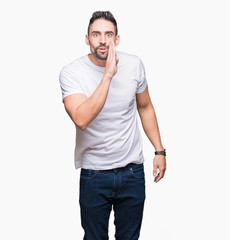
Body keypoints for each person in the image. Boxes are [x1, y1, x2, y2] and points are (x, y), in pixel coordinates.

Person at [59, 11, 166, 240]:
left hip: (132, 172)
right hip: (94, 174)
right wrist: (107, 75)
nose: (103, 40)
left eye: (109, 34)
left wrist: (159, 150)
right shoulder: (71, 73)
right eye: (96, 34)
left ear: (117, 39)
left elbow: (145, 107)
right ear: (87, 39)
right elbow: (81, 119)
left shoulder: (134, 64)